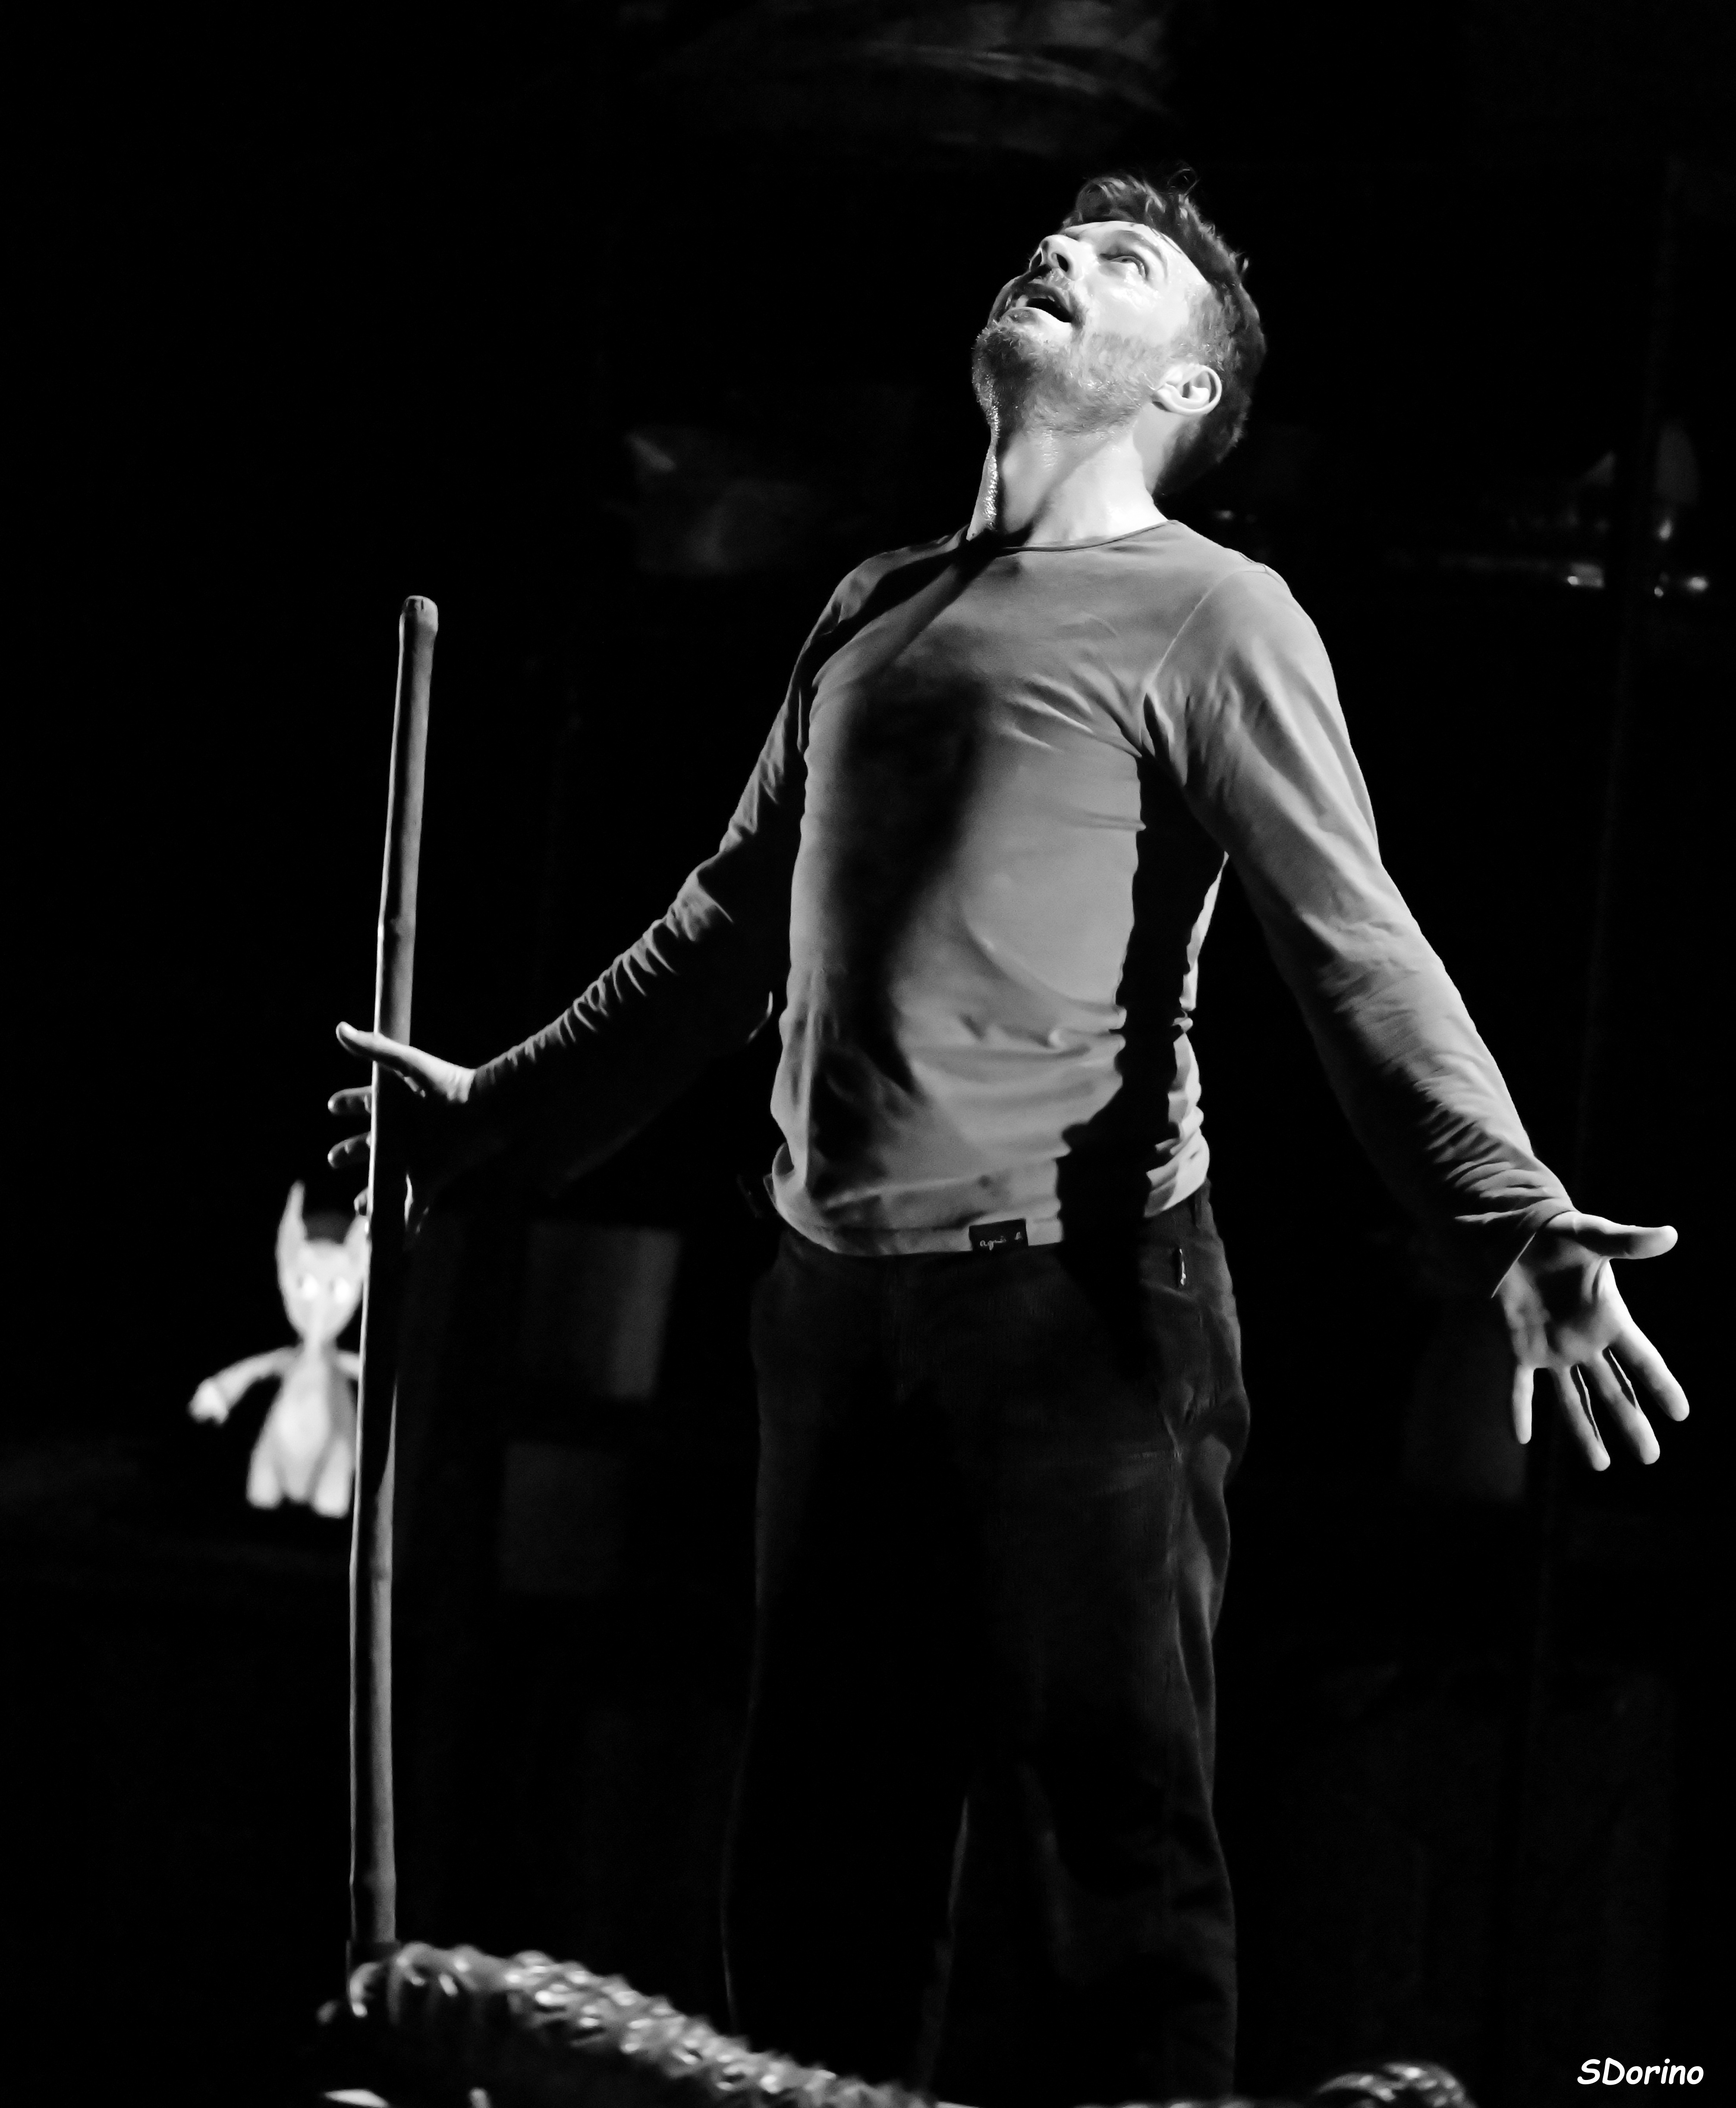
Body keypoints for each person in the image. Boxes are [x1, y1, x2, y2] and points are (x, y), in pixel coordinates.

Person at [329, 169, 1687, 2106]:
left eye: (1123, 264)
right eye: (1060, 241)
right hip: (834, 1309)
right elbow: (727, 924)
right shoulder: (872, 606)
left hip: (1076, 1310)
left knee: (1104, 1879)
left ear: (1188, 389)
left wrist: (1505, 1214)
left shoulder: (1211, 614)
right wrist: (498, 1114)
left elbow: (1351, 935)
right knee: (816, 1883)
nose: (1060, 255)